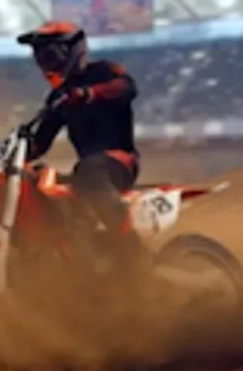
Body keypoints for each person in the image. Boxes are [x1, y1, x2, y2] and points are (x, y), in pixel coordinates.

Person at [16, 21, 148, 276]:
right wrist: (16, 152)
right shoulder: (59, 98)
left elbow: (127, 87)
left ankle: (134, 251)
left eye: (49, 55)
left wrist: (88, 93)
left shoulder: (103, 71)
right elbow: (41, 142)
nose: (45, 63)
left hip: (119, 160)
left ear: (72, 52)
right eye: (40, 57)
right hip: (89, 169)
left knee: (89, 172)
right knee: (37, 183)